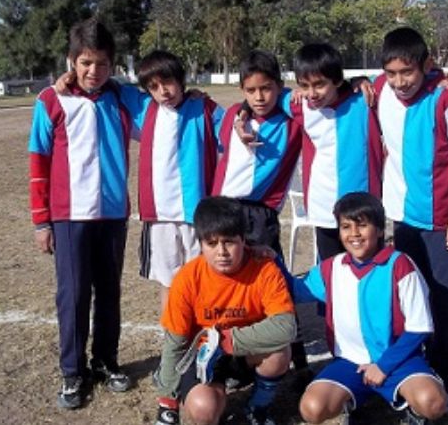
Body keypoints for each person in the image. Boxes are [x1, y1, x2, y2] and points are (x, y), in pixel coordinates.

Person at [27, 17, 138, 409]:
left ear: (113, 64)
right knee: (72, 296)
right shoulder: (50, 101)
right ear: (71, 60)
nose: (94, 72)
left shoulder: (123, 98)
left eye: (103, 63)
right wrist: (42, 220)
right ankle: (73, 373)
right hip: (69, 216)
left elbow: (163, 109)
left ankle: (106, 361)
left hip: (112, 215)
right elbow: (38, 160)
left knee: (108, 292)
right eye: (86, 62)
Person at [373, 26, 448, 412]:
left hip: (441, 221)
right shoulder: (379, 89)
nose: (400, 82)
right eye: (392, 73)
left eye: (408, 72)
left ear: (427, 65)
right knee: (411, 299)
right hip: (401, 219)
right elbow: (347, 86)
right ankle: (417, 368)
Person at [284, 192, 447, 425]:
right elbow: (293, 291)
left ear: (380, 230)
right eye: (346, 227)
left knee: (432, 402)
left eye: (362, 226)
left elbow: (419, 327)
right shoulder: (331, 268)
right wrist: (267, 260)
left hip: (397, 360)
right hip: (349, 362)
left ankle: (415, 410)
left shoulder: (400, 265)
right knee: (312, 409)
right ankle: (355, 401)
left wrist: (383, 365)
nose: (354, 234)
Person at [153, 196, 296, 425]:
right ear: (200, 244)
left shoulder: (264, 268)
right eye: (212, 243)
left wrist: (224, 341)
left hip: (244, 351)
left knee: (280, 354)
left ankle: (258, 407)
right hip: (204, 357)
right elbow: (175, 342)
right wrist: (167, 402)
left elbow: (285, 327)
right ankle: (214, 399)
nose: (222, 251)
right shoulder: (187, 278)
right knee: (203, 408)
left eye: (229, 241)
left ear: (243, 240)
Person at [211, 49, 309, 377]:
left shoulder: (293, 119)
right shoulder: (231, 118)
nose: (259, 97)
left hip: (259, 216)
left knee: (274, 285)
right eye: (250, 91)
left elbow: (321, 91)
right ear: (241, 91)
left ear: (278, 86)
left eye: (266, 89)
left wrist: (362, 82)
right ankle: (231, 362)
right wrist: (240, 115)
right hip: (223, 211)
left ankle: (299, 365)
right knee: (227, 285)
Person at [134, 50, 225, 312]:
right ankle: (173, 341)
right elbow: (106, 85)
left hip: (196, 214)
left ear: (181, 79)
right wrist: (69, 77)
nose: (163, 91)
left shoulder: (204, 109)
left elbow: (232, 126)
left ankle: (207, 340)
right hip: (159, 216)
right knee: (169, 283)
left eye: (168, 82)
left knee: (203, 279)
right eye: (154, 87)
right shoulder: (143, 108)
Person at [287, 43, 384, 260]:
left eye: (319, 84)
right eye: (304, 85)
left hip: (365, 208)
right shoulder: (298, 104)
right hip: (323, 209)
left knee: (370, 272)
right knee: (332, 273)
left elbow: (405, 72)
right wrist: (244, 113)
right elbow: (265, 94)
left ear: (338, 80)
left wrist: (359, 79)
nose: (311, 93)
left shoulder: (365, 100)